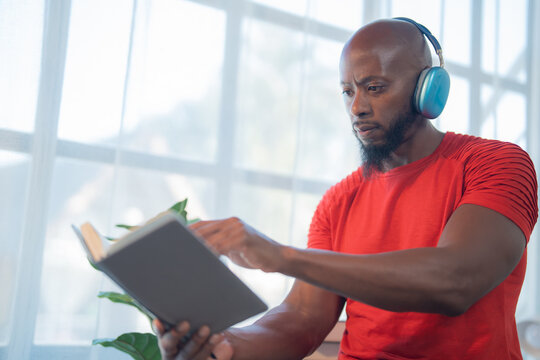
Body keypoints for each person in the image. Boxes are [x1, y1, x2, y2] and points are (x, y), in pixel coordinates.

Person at [154, 18, 538, 360]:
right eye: (347, 91)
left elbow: (456, 281)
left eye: (374, 87)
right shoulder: (339, 201)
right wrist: (224, 346)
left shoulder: (496, 164)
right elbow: (302, 318)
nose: (357, 107)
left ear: (428, 88)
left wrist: (280, 256)